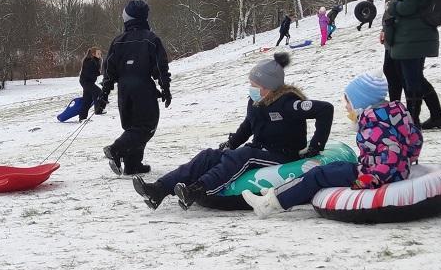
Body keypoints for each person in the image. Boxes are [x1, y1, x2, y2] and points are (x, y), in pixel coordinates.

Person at [130, 51, 333, 210]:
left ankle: (199, 190)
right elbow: (247, 126)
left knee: (245, 155)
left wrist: (316, 145)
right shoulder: (255, 102)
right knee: (210, 155)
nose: (250, 88)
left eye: (254, 85)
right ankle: (159, 189)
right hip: (260, 149)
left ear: (268, 87)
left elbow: (325, 109)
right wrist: (231, 144)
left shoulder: (287, 103)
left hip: (283, 155)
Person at [242, 71, 423, 216]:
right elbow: (415, 140)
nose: (346, 107)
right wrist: (408, 161)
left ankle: (268, 204)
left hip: (375, 174)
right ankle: (279, 191)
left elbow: (392, 153)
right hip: (382, 169)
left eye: (349, 103)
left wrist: (372, 177)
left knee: (318, 175)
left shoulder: (375, 123)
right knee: (332, 168)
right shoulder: (394, 114)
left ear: (361, 103)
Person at [99, 0, 171, 177]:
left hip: (124, 91)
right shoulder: (151, 39)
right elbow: (160, 67)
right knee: (145, 126)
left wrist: (104, 94)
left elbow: (109, 70)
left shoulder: (118, 41)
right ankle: (116, 149)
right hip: (143, 88)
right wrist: (165, 88)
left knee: (132, 126)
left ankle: (132, 165)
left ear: (128, 18)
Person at [381, 0, 441, 128]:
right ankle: (425, 117)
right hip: (411, 34)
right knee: (411, 77)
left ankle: (411, 121)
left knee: (410, 78)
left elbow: (408, 5)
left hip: (411, 34)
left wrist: (392, 7)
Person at [77, 47, 102, 123]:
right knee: (98, 92)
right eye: (98, 53)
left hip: (88, 82)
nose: (100, 55)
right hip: (86, 81)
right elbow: (90, 73)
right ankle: (98, 110)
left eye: (100, 53)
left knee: (88, 99)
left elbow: (96, 72)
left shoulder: (95, 60)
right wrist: (97, 73)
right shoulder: (89, 61)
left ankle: (82, 118)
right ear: (93, 54)